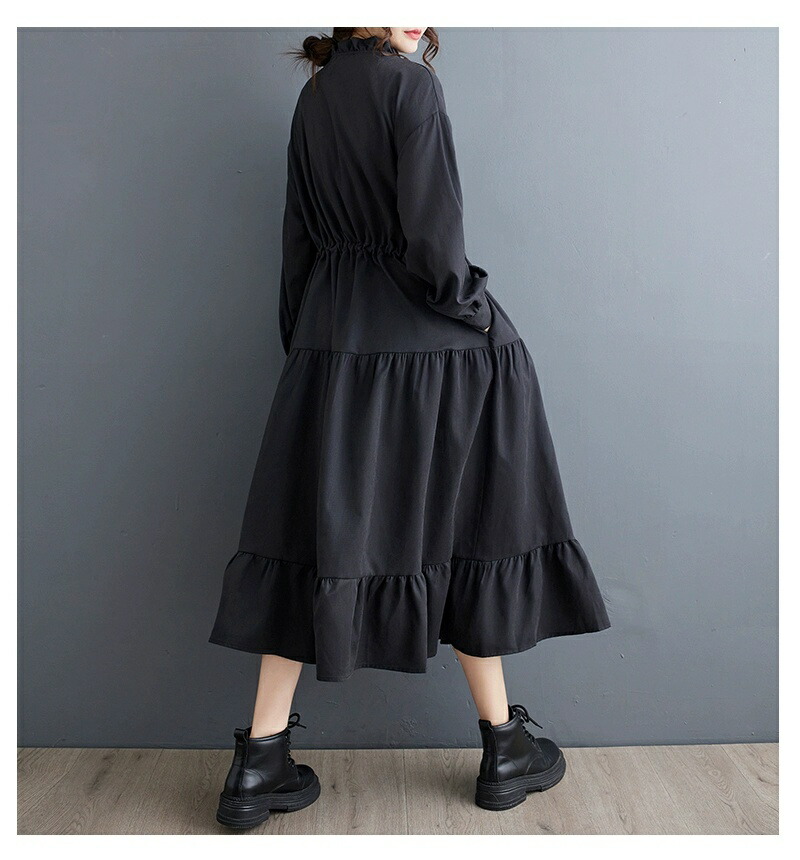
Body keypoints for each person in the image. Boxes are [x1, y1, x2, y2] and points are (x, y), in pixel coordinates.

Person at [208, 27, 611, 830]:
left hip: (332, 341)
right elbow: (434, 239)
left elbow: (297, 241)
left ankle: (258, 764)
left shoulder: (313, 95)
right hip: (431, 349)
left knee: (307, 543)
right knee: (467, 530)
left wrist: (309, 350)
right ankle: (504, 749)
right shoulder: (412, 87)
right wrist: (474, 312)